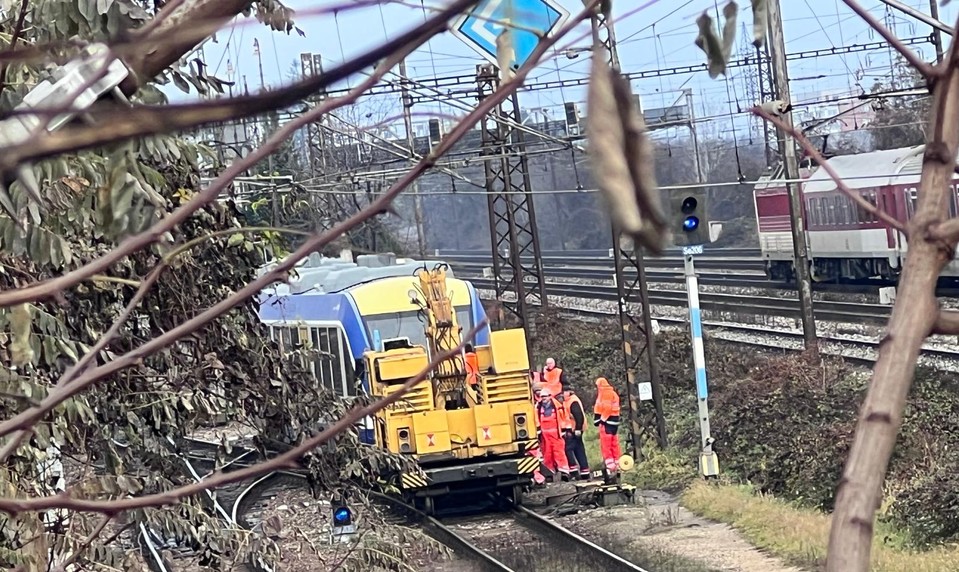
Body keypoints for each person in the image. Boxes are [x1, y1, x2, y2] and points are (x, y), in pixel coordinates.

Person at [535, 388, 571, 481]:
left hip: (557, 435)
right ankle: (549, 473)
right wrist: (538, 432)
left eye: (545, 396)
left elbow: (564, 418)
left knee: (559, 453)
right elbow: (536, 419)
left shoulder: (558, 406)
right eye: (542, 396)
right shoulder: (538, 407)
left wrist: (566, 430)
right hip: (545, 436)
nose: (543, 398)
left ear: (550, 396)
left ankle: (564, 472)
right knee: (547, 454)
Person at [593, 377, 622, 477]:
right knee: (614, 444)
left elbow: (607, 408)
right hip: (614, 422)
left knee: (606, 445)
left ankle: (610, 467)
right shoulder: (612, 392)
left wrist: (602, 420)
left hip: (607, 423)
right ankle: (618, 465)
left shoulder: (605, 393)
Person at [563, 386, 591, 479]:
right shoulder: (570, 400)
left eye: (563, 392)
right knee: (579, 449)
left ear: (568, 392)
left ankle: (573, 471)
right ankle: (584, 471)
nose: (562, 394)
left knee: (568, 449)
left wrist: (578, 429)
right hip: (575, 429)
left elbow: (579, 416)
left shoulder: (572, 402)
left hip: (575, 429)